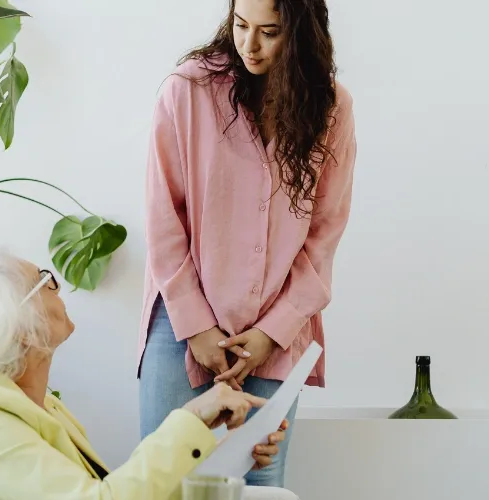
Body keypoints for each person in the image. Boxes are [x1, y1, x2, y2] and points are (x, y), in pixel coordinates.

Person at [139, 0, 356, 487]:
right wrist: (197, 327)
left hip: (277, 332)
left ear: (301, 33)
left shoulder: (332, 108)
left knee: (260, 482)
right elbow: (162, 218)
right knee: (163, 483)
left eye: (269, 32)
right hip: (182, 327)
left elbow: (325, 231)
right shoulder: (187, 91)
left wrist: (271, 332)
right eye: (240, 25)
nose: (249, 45)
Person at [0, 246, 289, 500]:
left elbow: (109, 491)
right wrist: (189, 418)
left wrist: (226, 457)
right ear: (19, 326)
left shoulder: (33, 408)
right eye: (44, 281)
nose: (58, 287)